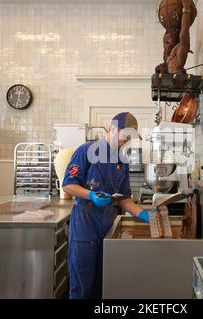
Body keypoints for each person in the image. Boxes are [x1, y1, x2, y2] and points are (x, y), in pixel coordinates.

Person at [63, 112, 155, 299]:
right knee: (81, 288)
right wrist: (90, 195)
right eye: (125, 137)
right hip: (84, 227)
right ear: (113, 129)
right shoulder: (86, 150)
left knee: (100, 286)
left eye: (130, 138)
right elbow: (68, 185)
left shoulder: (122, 161)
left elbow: (123, 198)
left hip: (106, 228)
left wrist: (143, 214)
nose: (126, 142)